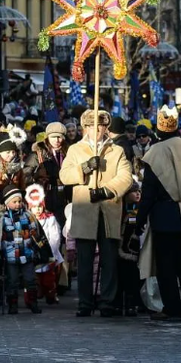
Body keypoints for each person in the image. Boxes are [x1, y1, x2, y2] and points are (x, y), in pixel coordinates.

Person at [59, 109, 133, 317]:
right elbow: (64, 175)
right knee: (84, 259)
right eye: (92, 126)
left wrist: (106, 191)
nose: (97, 129)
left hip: (108, 208)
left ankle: (108, 301)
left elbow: (125, 177)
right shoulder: (75, 150)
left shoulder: (116, 151)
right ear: (86, 128)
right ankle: (85, 302)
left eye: (100, 125)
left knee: (109, 259)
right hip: (85, 210)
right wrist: (84, 168)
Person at [136, 105, 181, 321]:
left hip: (164, 214)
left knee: (166, 265)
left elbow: (148, 191)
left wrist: (140, 217)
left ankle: (173, 306)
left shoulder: (155, 151)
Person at [0, 186, 49, 314]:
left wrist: (40, 250)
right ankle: (12, 304)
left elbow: (37, 234)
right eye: (14, 202)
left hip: (27, 254)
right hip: (11, 257)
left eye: (19, 201)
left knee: (30, 280)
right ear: (7, 203)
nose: (17, 204)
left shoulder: (29, 216)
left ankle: (33, 303)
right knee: (12, 281)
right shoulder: (2, 219)